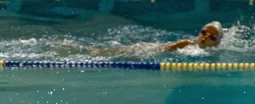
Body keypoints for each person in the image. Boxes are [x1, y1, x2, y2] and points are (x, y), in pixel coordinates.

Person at [90, 21, 223, 56]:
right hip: (147, 51)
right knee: (105, 53)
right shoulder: (187, 43)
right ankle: (97, 52)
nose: (205, 36)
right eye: (204, 31)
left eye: (211, 36)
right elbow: (163, 50)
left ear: (217, 43)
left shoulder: (214, 51)